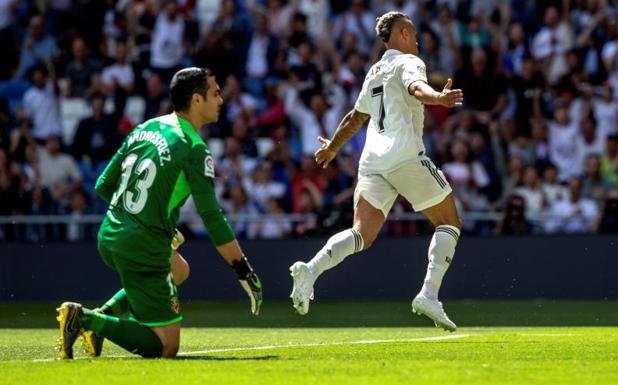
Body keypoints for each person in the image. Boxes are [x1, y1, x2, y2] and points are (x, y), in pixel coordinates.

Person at [55, 68, 263, 359]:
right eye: (215, 92)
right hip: (143, 243)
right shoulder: (194, 147)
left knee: (179, 270)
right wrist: (243, 269)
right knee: (166, 346)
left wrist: (152, 222)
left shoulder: (146, 127)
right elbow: (212, 217)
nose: (221, 99)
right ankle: (86, 319)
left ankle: (103, 315)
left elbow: (104, 185)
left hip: (110, 233)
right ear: (196, 99)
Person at [289, 12, 463, 332]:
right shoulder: (409, 62)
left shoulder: (374, 72)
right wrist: (439, 98)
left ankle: (310, 271)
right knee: (449, 221)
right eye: (414, 32)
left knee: (361, 234)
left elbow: (354, 118)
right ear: (406, 32)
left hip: (371, 161)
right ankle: (428, 294)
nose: (418, 38)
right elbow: (417, 88)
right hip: (405, 155)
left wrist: (332, 148)